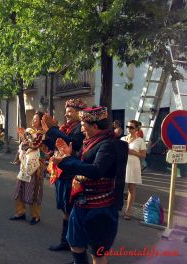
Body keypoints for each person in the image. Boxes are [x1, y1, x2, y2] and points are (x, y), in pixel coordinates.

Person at [52, 106, 128, 264]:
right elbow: (81, 162)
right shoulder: (90, 142)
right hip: (81, 202)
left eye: (84, 126)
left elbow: (96, 170)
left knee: (97, 252)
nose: (81, 130)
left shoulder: (107, 144)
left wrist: (67, 161)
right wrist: (70, 154)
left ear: (94, 126)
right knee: (75, 243)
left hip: (100, 206)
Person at [41, 98, 87, 251]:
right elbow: (55, 144)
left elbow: (71, 142)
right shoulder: (66, 127)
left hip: (71, 175)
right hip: (62, 174)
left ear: (79, 113)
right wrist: (46, 134)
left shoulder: (80, 129)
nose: (67, 114)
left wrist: (53, 129)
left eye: (70, 111)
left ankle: (72, 243)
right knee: (65, 210)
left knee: (70, 211)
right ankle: (67, 241)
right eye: (66, 111)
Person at [10, 111, 45, 225]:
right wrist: (24, 138)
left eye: (36, 119)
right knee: (20, 186)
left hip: (36, 166)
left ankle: (36, 215)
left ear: (41, 121)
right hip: (25, 163)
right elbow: (25, 145)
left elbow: (35, 145)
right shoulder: (30, 131)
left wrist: (26, 140)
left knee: (34, 189)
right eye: (33, 119)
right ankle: (20, 211)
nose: (33, 121)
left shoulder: (42, 133)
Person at [121, 120, 147, 220]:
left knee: (131, 188)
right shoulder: (123, 138)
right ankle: (116, 207)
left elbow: (143, 155)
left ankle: (128, 210)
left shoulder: (140, 141)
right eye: (127, 126)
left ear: (137, 129)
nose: (128, 128)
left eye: (131, 127)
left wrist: (133, 152)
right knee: (118, 186)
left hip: (133, 165)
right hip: (123, 164)